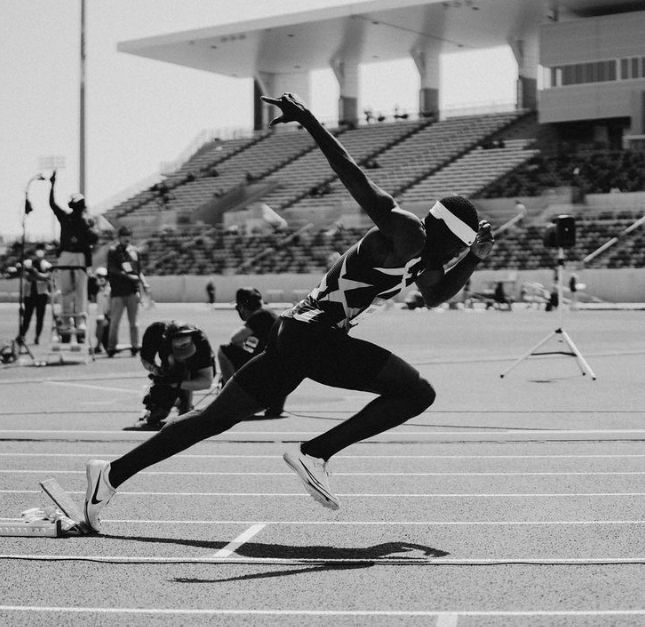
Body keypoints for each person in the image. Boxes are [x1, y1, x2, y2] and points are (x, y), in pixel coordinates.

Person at [82, 93, 493, 531]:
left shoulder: (426, 257)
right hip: (314, 338)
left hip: (295, 335)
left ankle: (109, 475)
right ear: (448, 234)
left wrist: (474, 259)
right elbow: (352, 176)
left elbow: (434, 295)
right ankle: (315, 452)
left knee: (213, 420)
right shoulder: (406, 232)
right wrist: (310, 121)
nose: (456, 256)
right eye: (459, 248)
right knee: (417, 393)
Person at [126, 321, 215, 431]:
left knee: (182, 377)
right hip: (168, 366)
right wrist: (155, 370)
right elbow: (146, 359)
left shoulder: (200, 341)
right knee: (160, 411)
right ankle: (168, 402)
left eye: (186, 346)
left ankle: (185, 405)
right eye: (179, 349)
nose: (183, 353)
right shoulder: (155, 333)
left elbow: (206, 381)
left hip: (193, 367)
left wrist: (177, 384)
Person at [217, 287, 286, 418]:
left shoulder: (260, 315)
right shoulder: (270, 314)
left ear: (242, 306)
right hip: (279, 377)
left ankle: (233, 398)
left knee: (225, 351)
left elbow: (235, 338)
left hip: (268, 371)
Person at [49, 170, 99, 342]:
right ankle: (66, 321)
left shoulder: (86, 221)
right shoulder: (66, 217)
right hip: (66, 255)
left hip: (79, 256)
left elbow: (94, 237)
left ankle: (79, 322)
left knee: (80, 291)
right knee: (66, 290)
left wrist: (89, 225)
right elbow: (52, 204)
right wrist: (52, 184)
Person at [106, 225, 149, 357]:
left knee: (134, 323)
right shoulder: (113, 251)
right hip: (118, 292)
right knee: (115, 322)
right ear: (119, 237)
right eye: (124, 236)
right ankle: (111, 347)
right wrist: (127, 276)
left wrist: (144, 283)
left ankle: (135, 346)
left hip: (132, 292)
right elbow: (112, 269)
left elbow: (138, 271)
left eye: (128, 235)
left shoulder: (134, 252)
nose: (127, 238)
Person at [18, 243, 52, 345]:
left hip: (41, 294)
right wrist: (35, 275)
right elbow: (24, 274)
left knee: (40, 317)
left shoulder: (47, 264)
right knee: (26, 317)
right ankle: (22, 335)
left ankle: (37, 337)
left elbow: (48, 276)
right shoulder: (28, 263)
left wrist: (36, 274)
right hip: (30, 294)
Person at [93, 267, 110, 354]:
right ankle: (99, 345)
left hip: (108, 316)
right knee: (97, 332)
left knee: (100, 328)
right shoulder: (99, 290)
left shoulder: (109, 289)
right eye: (98, 277)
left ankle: (98, 346)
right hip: (102, 316)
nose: (100, 279)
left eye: (102, 276)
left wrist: (107, 316)